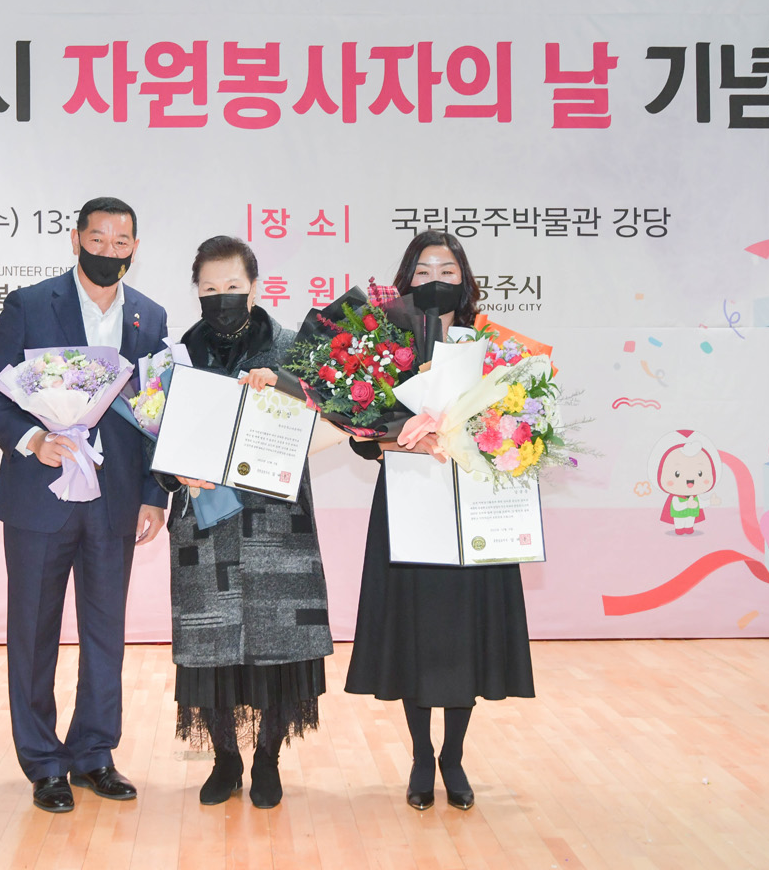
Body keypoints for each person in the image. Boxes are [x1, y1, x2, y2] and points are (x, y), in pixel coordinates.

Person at [0, 197, 170, 814]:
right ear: (76, 240)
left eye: (121, 242)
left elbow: (157, 411)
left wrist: (153, 494)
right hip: (41, 496)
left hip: (115, 500)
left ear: (135, 248)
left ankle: (94, 754)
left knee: (106, 632)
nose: (108, 251)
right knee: (33, 632)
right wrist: (33, 439)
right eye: (97, 239)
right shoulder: (31, 304)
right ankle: (44, 762)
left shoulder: (150, 316)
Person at [344, 229, 536, 811]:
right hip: (408, 502)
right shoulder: (383, 346)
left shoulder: (492, 348)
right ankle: (421, 756)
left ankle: (453, 756)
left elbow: (523, 427)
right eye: (423, 271)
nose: (435, 280)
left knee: (463, 634)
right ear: (407, 281)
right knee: (416, 632)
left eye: (446, 271)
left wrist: (496, 436)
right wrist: (399, 437)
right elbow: (360, 436)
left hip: (471, 508)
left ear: (464, 280)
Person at [158, 236, 334, 810]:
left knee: (279, 643)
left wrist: (284, 385)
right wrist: (172, 473)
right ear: (197, 291)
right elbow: (155, 438)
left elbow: (335, 412)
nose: (222, 297)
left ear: (254, 287)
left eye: (232, 286)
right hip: (204, 525)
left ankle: (267, 760)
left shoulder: (292, 347)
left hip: (278, 523)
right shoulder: (177, 356)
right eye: (210, 288)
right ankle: (225, 760)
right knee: (209, 646)